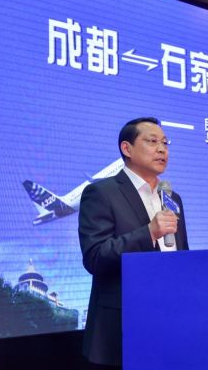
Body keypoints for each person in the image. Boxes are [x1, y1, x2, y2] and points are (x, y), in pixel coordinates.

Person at [78, 117, 189, 368]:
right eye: (152, 141)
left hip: (169, 324)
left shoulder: (172, 198)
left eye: (165, 143)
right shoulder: (101, 193)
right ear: (126, 149)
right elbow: (95, 256)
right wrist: (148, 232)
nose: (162, 149)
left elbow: (181, 256)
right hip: (121, 328)